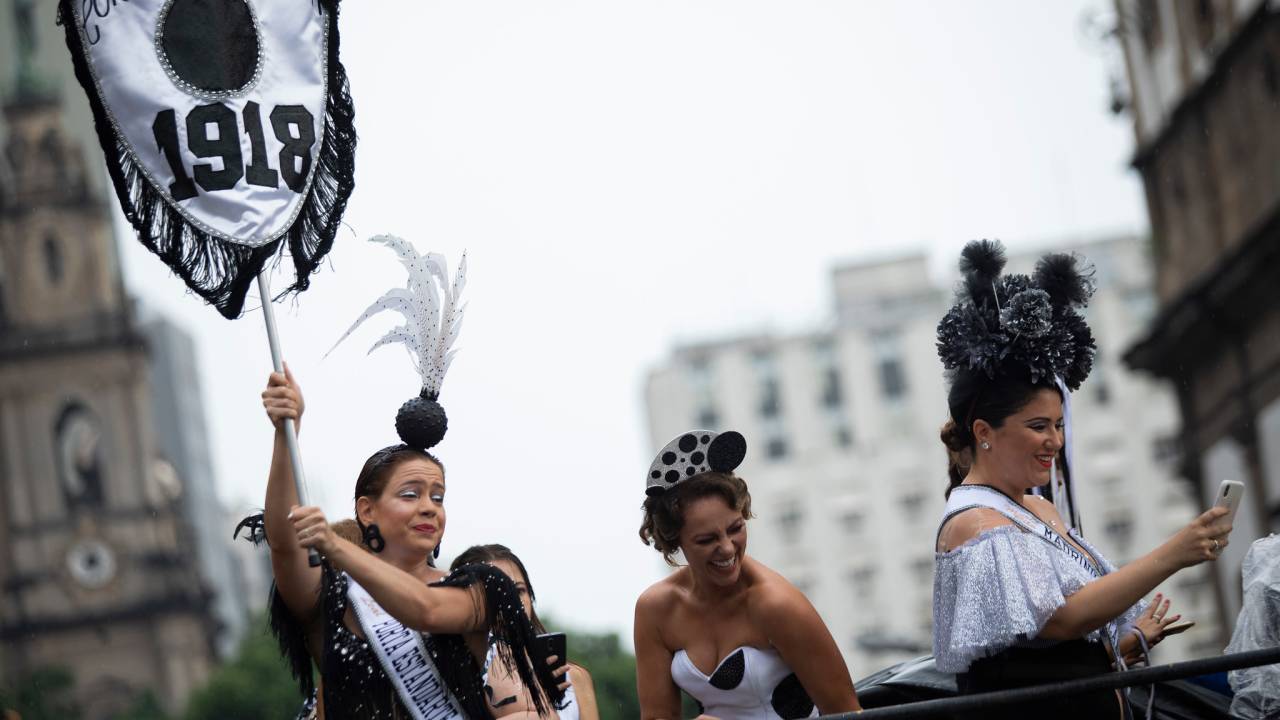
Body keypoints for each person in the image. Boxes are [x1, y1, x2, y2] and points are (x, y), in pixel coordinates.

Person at [931, 240, 1231, 719]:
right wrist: (1175, 553)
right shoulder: (974, 524)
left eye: (1058, 425)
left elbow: (1054, 653)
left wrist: (1123, 644)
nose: (1054, 441)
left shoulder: (1039, 509)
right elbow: (1062, 618)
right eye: (1037, 427)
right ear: (984, 433)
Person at [261, 367, 556, 719]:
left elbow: (426, 610)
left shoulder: (477, 588)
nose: (428, 508)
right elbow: (283, 543)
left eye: (438, 497)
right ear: (367, 510)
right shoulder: (335, 595)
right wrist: (285, 432)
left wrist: (336, 546)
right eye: (411, 494)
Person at [634, 430, 862, 720]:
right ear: (674, 540)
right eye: (707, 540)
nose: (727, 549)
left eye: (735, 528)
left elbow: (847, 713)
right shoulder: (655, 610)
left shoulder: (776, 604)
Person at [451, 544, 601, 720]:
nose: (511, 602)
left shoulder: (573, 677)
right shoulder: (444, 682)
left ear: (531, 597)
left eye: (519, 591)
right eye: (496, 593)